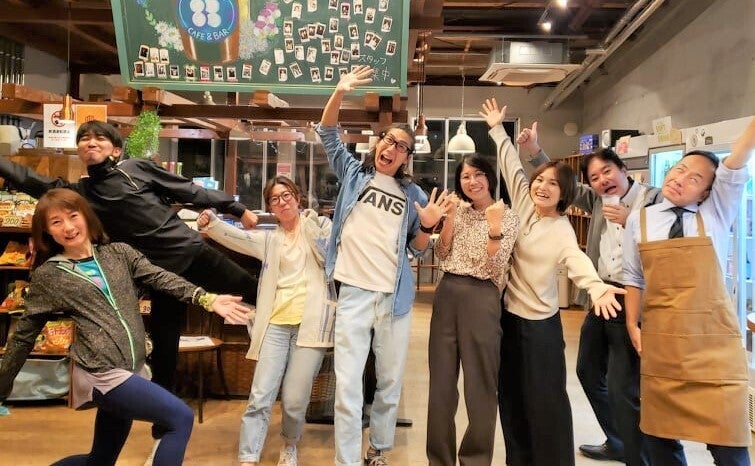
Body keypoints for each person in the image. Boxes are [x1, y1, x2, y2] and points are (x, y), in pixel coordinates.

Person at [0, 120, 259, 448]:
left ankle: (288, 341)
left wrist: (235, 208)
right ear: (79, 151)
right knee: (165, 352)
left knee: (254, 289)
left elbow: (187, 190)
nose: (90, 142)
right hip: (157, 274)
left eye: (99, 138)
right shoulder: (81, 195)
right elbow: (31, 180)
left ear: (116, 148)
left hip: (191, 252)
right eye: (84, 139)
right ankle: (162, 431)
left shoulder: (135, 168)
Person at [480, 97, 626, 466]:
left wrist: (596, 287)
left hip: (540, 329)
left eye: (553, 184)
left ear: (565, 195)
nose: (543, 187)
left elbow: (576, 260)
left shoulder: (561, 230)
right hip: (509, 321)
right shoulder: (524, 205)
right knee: (511, 399)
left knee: (546, 405)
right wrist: (498, 130)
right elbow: (512, 166)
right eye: (540, 180)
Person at [316, 65, 447, 466]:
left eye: (401, 146)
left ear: (407, 156)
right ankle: (346, 461)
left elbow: (419, 249)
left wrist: (428, 226)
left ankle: (378, 449)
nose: (392, 148)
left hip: (394, 300)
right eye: (389, 140)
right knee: (347, 387)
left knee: (389, 381)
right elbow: (327, 132)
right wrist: (340, 90)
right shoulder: (354, 174)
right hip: (353, 294)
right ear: (378, 144)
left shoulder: (413, 194)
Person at [519, 123, 660, 465]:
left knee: (624, 387)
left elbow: (672, 237)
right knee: (587, 372)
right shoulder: (597, 200)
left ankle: (639, 455)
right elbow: (559, 183)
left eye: (607, 172)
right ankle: (619, 439)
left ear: (623, 169)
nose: (601, 181)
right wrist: (534, 149)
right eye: (594, 177)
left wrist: (633, 220)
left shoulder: (653, 199)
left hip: (634, 298)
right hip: (601, 296)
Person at [623, 117, 755, 466]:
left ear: (708, 192)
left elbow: (736, 161)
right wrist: (632, 324)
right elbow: (633, 277)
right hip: (664, 344)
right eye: (679, 170)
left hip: (714, 345)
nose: (680, 179)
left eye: (694, 178)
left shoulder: (717, 212)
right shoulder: (641, 219)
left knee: (729, 445)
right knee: (660, 439)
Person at [196, 176, 333, 466]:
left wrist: (310, 223)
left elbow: (328, 255)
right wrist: (212, 223)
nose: (281, 202)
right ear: (269, 206)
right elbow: (237, 238)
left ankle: (290, 444)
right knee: (260, 395)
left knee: (295, 400)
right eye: (274, 199)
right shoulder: (270, 240)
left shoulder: (320, 226)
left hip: (311, 325)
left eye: (286, 195)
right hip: (275, 324)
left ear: (297, 197)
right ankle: (248, 456)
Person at [426, 153, 519, 466]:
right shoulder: (459, 210)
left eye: (478, 174)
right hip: (447, 293)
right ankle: (439, 459)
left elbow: (495, 265)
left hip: (482, 297)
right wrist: (450, 218)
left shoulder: (507, 216)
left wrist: (494, 227)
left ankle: (476, 460)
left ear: (489, 177)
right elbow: (442, 254)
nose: (472, 181)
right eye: (466, 176)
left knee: (481, 385)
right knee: (441, 385)